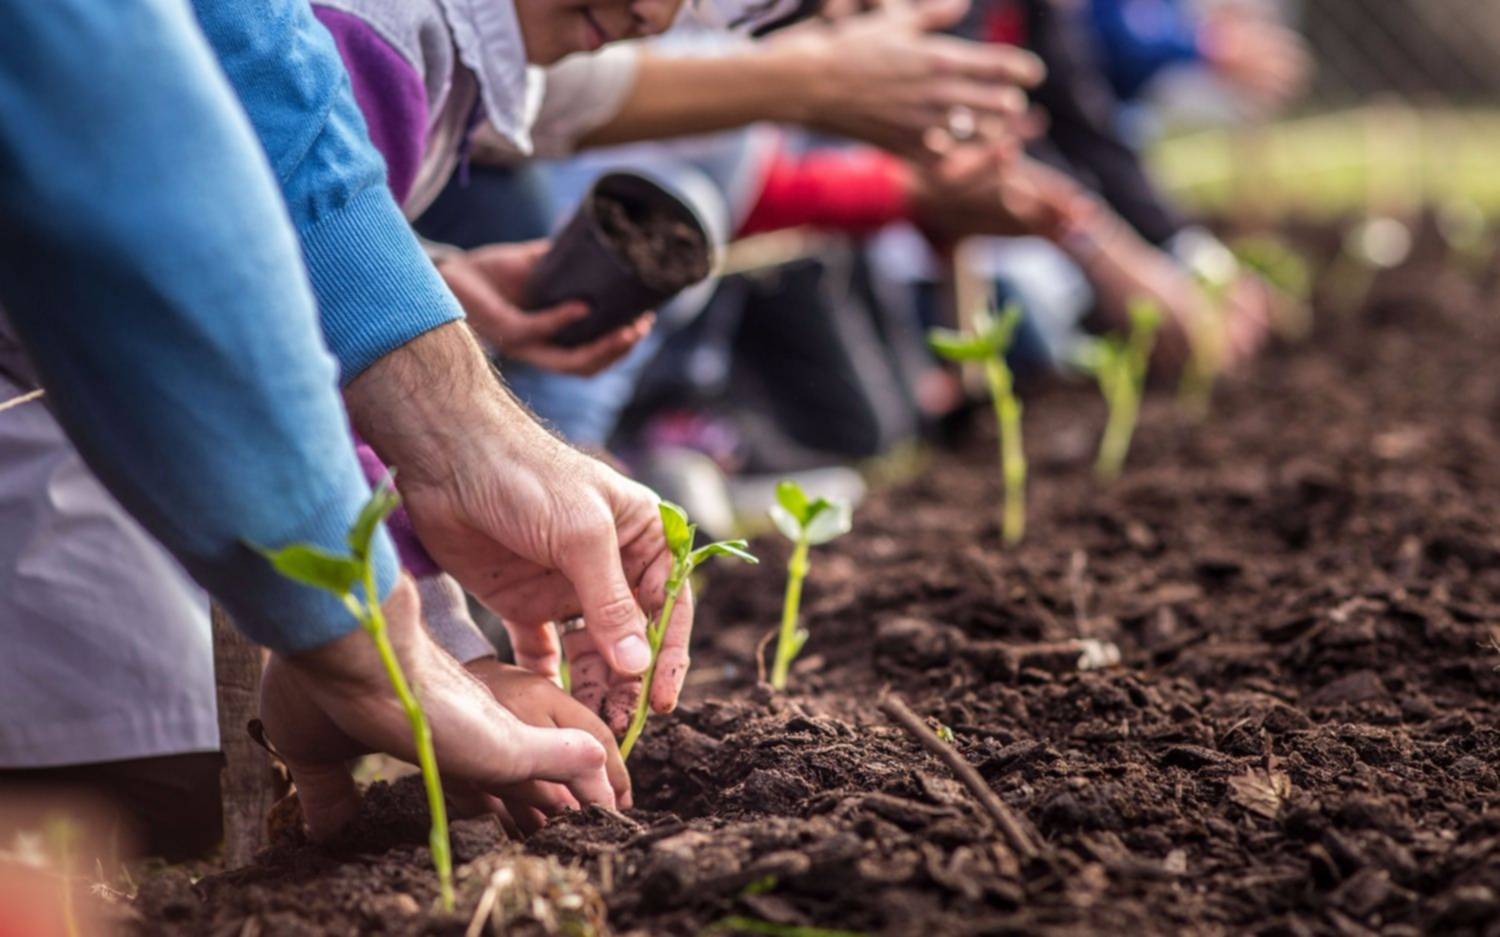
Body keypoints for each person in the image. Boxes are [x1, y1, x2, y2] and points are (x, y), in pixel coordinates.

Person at [0, 0, 695, 849]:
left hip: (108, 393)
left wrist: (432, 306)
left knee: (164, 781)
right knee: (147, 796)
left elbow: (271, 162)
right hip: (76, 404)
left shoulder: (403, 55)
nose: (660, 14)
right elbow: (183, 253)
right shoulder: (384, 33)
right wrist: (400, 644)